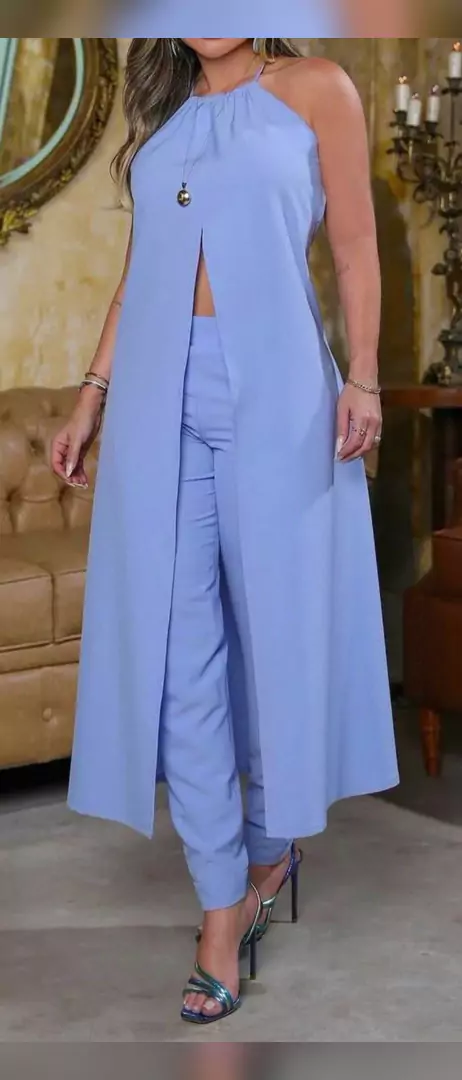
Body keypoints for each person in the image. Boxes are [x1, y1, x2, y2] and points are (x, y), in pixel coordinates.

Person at [51, 38, 399, 1026]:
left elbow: (357, 244)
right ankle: (220, 904)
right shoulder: (166, 113)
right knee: (177, 659)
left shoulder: (318, 89)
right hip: (159, 396)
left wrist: (365, 376)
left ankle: (270, 852)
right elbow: (140, 275)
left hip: (279, 393)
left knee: (276, 644)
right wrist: (92, 395)